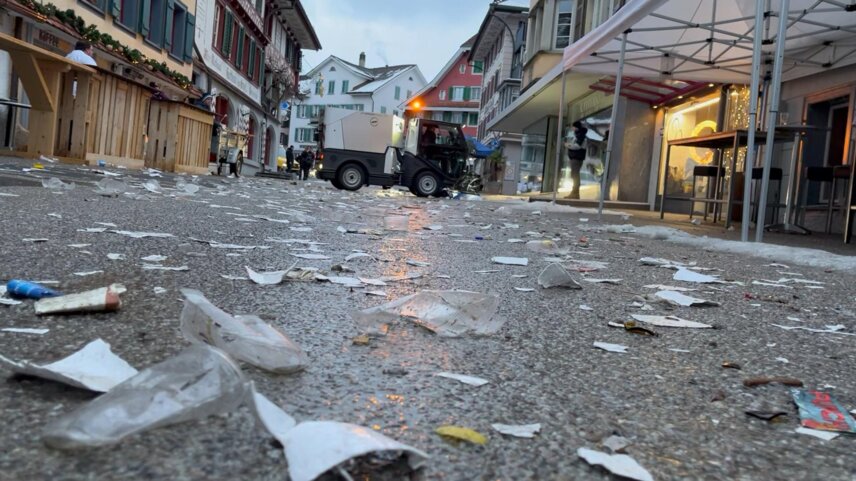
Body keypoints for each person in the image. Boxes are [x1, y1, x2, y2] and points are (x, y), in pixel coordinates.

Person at [564, 120, 588, 199]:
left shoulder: (580, 136)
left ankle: (575, 193)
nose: (572, 128)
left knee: (575, 175)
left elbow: (577, 146)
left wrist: (568, 145)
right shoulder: (578, 135)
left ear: (576, 127)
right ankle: (574, 193)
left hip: (577, 158)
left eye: (573, 127)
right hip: (575, 158)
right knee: (574, 175)